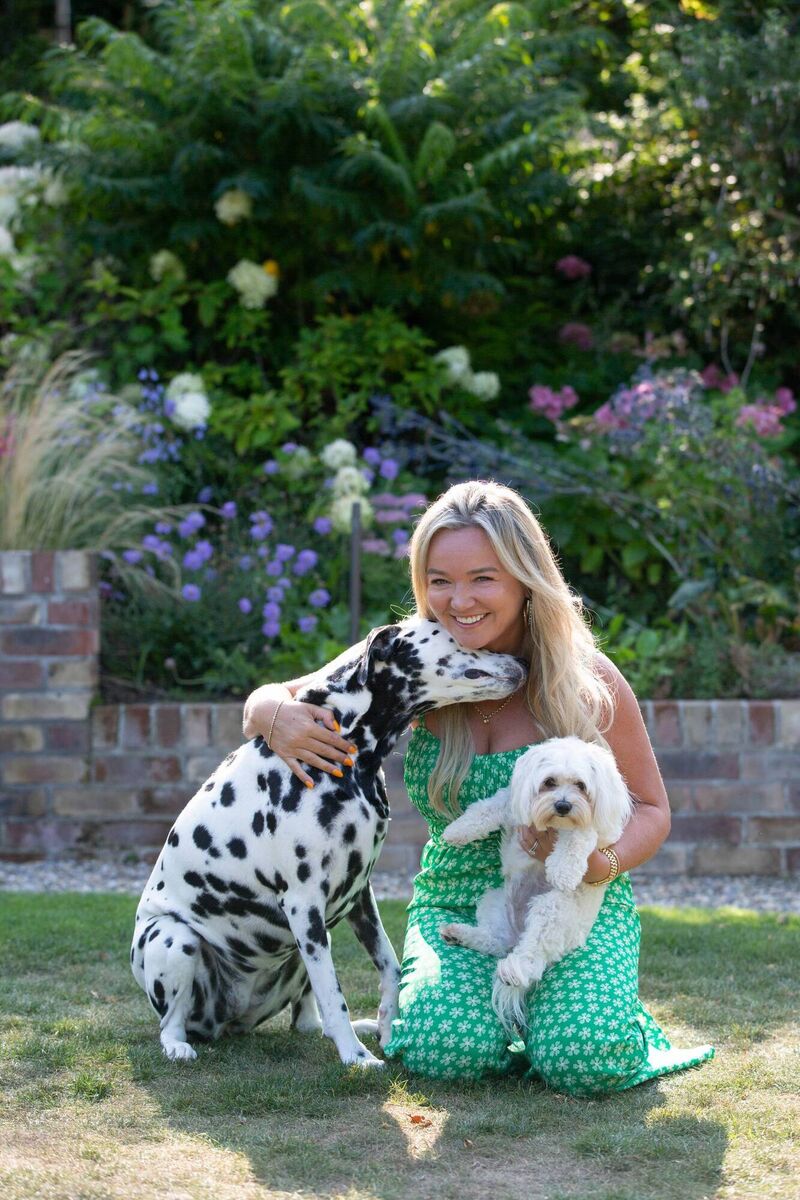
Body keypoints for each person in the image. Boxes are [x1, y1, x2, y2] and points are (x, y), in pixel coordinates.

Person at [243, 480, 714, 1095]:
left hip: (572, 903)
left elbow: (652, 809)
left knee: (586, 1056)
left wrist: (598, 865)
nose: (458, 600)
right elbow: (275, 695)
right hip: (456, 905)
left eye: (483, 579)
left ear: (525, 579)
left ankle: (566, 1020)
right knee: (445, 1049)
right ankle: (505, 1026)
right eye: (439, 580)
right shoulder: (414, 658)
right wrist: (273, 716)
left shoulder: (585, 680)